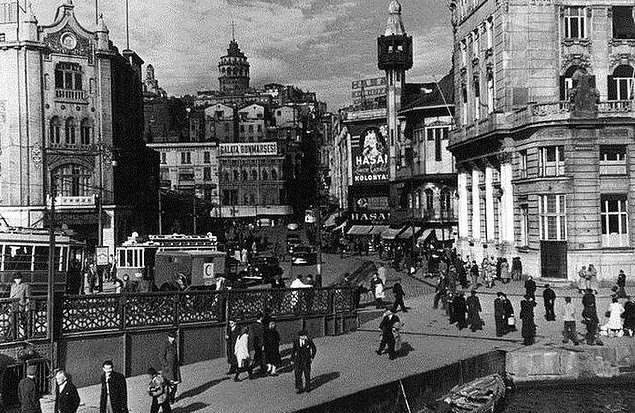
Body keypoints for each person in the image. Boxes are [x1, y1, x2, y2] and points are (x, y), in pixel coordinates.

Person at [292, 329, 317, 394]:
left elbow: (314, 349)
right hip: (298, 360)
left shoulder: (309, 341)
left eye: (305, 335)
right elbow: (293, 351)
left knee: (307, 374)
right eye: (303, 336)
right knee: (298, 374)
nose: (305, 337)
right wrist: (292, 359)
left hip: (306, 360)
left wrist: (312, 357)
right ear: (300, 336)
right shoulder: (296, 341)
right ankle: (299, 388)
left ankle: (307, 387)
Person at [160, 332, 180, 403]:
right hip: (168, 368)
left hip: (174, 367)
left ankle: (172, 396)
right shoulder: (165, 344)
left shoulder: (174, 344)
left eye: (174, 337)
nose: (173, 339)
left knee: (175, 384)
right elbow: (161, 356)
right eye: (172, 337)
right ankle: (168, 398)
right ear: (168, 337)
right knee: (168, 384)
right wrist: (165, 365)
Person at [10, 272, 31, 337]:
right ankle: (13, 334)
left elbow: (28, 297)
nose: (18, 280)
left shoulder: (25, 286)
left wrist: (27, 306)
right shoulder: (13, 286)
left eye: (19, 279)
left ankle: (23, 334)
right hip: (13, 305)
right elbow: (11, 296)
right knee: (13, 320)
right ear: (14, 279)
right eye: (16, 279)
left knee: (21, 321)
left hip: (21, 306)